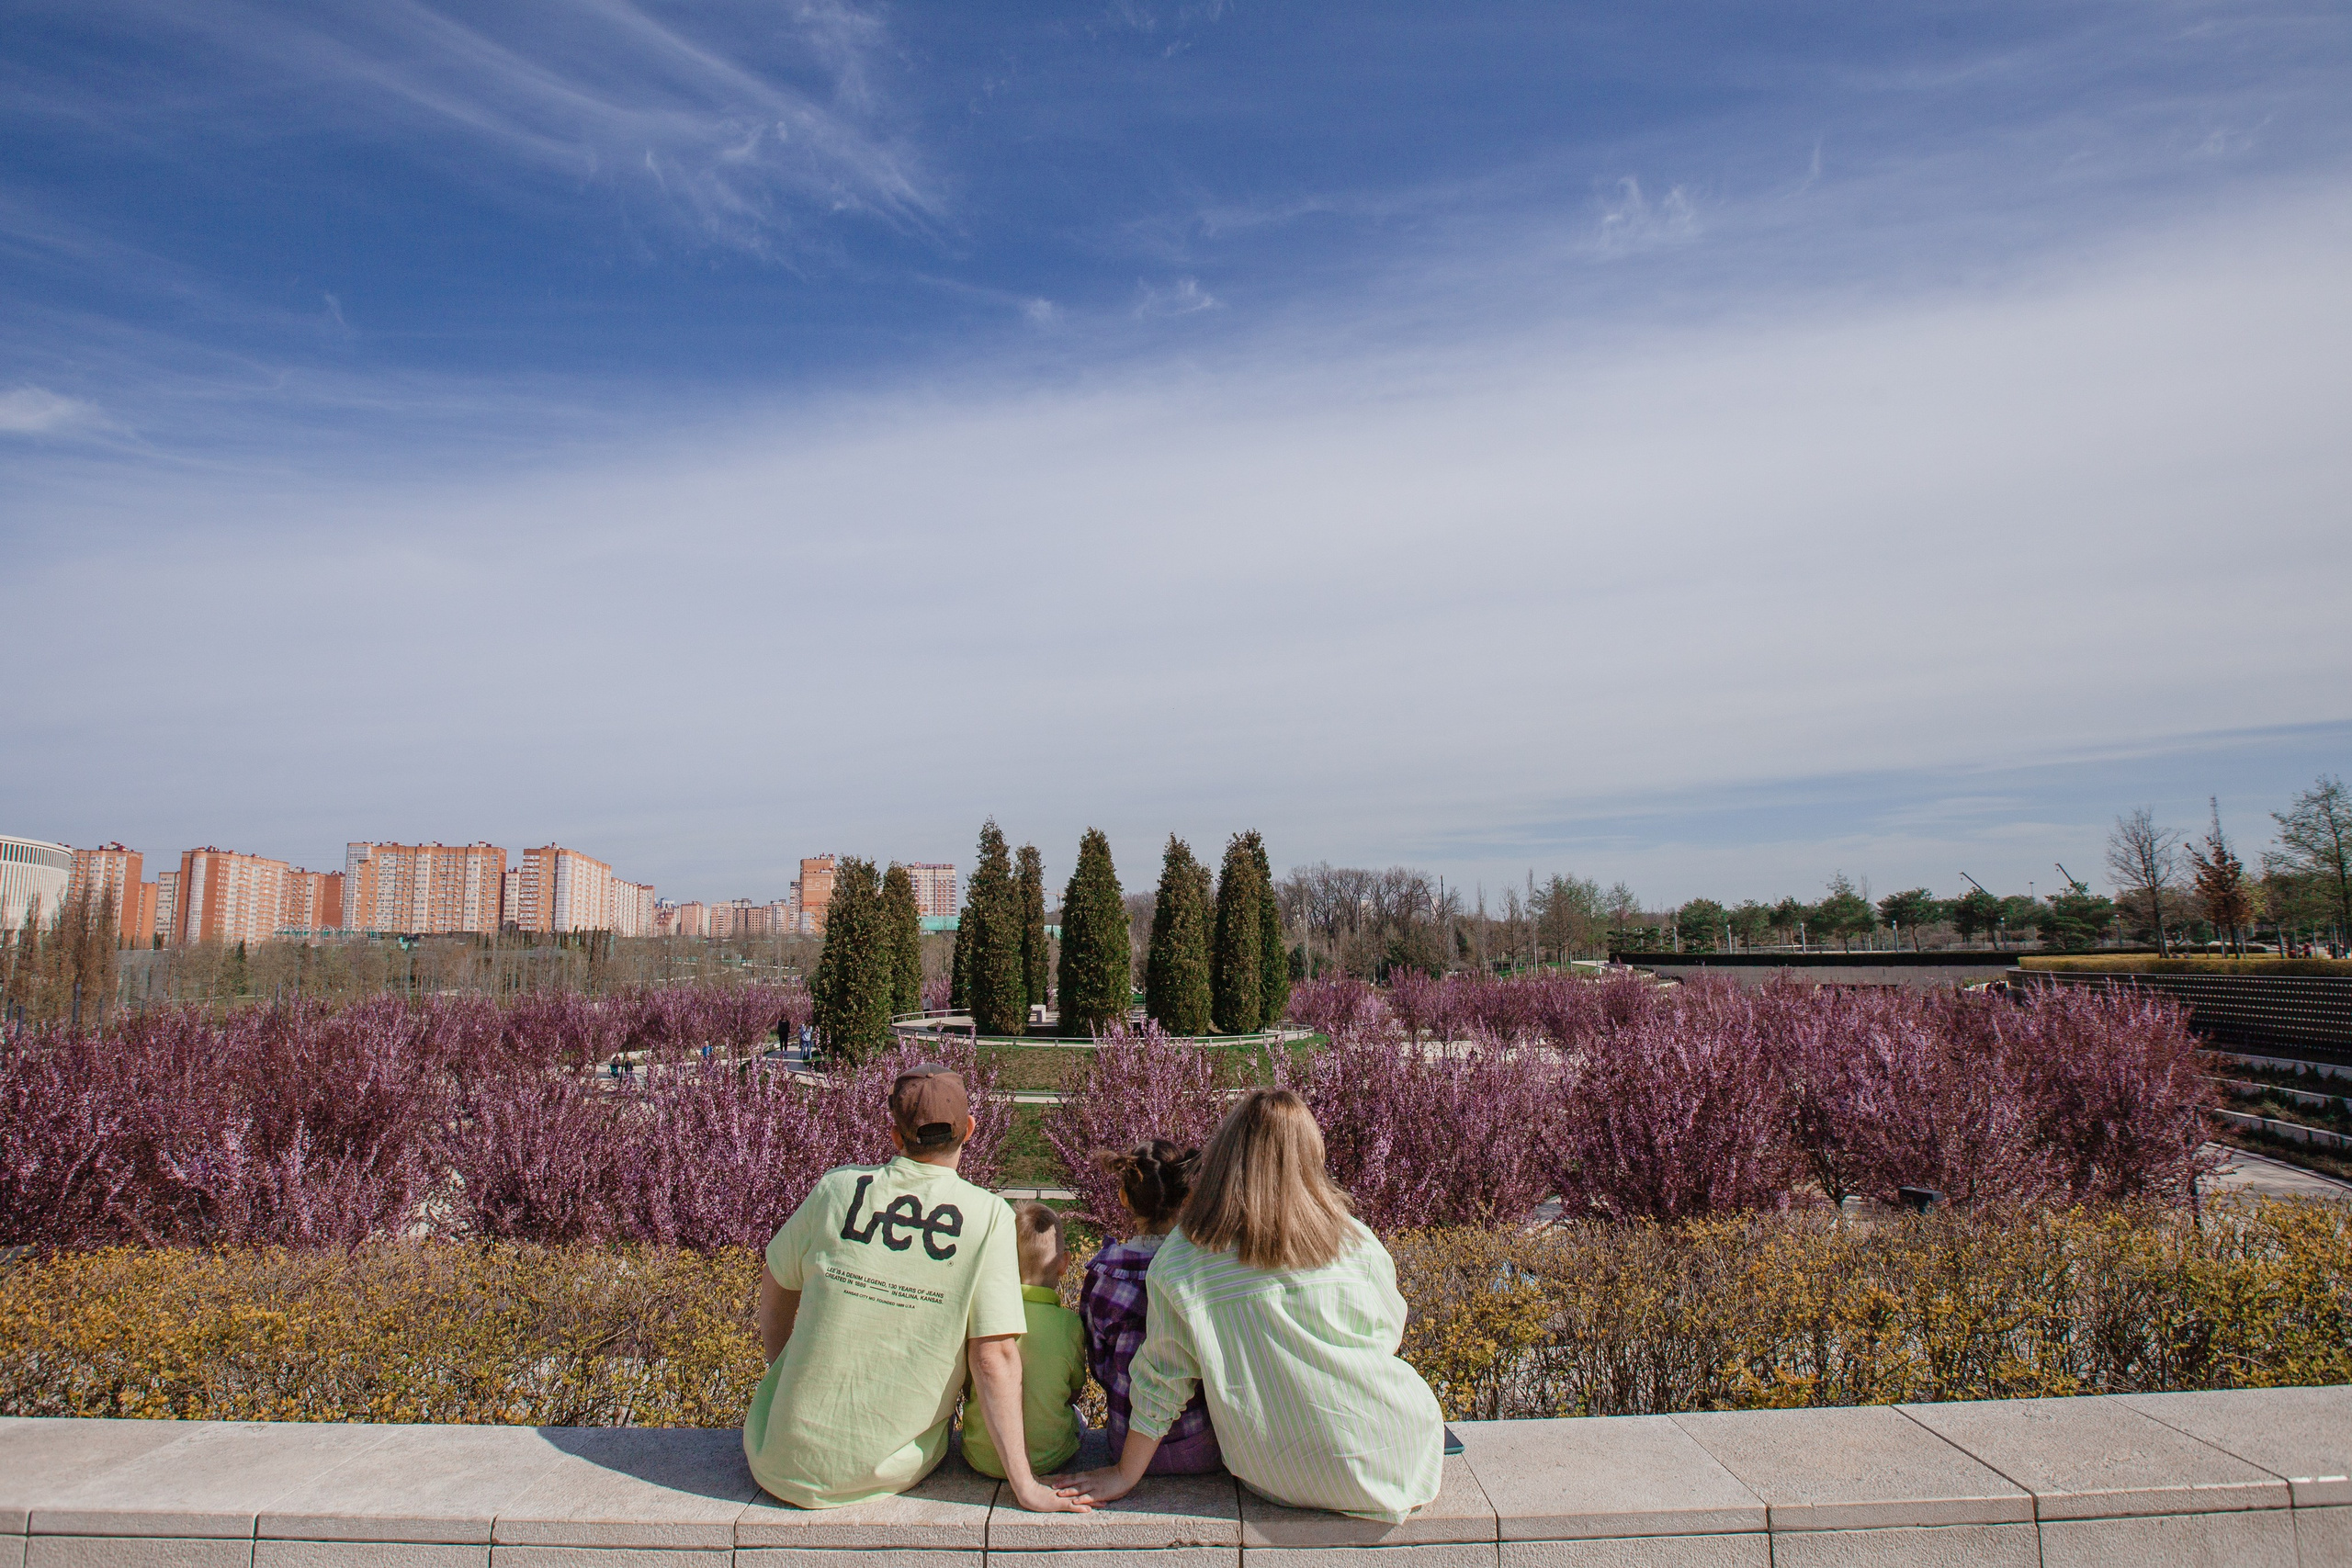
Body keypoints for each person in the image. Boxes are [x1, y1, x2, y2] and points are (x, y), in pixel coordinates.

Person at [1058, 1089, 1442, 1521]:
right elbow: (1385, 1335)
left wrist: (1125, 1475)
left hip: (1275, 1473)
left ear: (1224, 1158)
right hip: (1399, 1456)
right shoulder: (1354, 1240)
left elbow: (1162, 1380)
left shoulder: (1184, 1258)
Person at [742, 1063, 1089, 1514]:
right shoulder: (987, 1216)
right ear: (969, 1129)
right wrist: (1025, 1485)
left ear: (895, 1134)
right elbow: (993, 1356)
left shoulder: (837, 1187)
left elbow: (776, 1282)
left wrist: (782, 1373)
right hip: (885, 1468)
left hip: (777, 1456)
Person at [1079, 1141, 1221, 1475]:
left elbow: (1098, 1363)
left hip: (1124, 1443)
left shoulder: (1105, 1275)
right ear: (1187, 1198)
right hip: (1202, 1444)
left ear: (1124, 1198)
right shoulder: (1203, 1269)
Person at [959, 1201, 1088, 1482]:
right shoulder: (1069, 1325)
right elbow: (1074, 1389)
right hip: (1050, 1459)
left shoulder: (983, 1316)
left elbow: (970, 1385)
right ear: (1064, 1264)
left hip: (982, 1456)